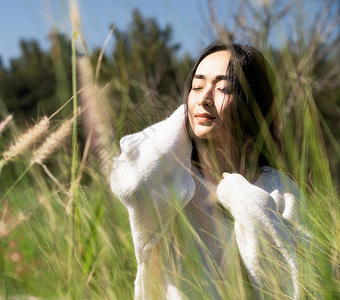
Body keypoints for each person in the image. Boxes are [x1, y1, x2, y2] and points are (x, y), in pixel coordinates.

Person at [110, 42, 304, 299]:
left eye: (224, 88)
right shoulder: (173, 181)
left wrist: (243, 198)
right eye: (197, 86)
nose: (204, 98)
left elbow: (297, 277)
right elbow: (132, 184)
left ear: (251, 105)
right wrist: (186, 115)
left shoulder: (280, 189)